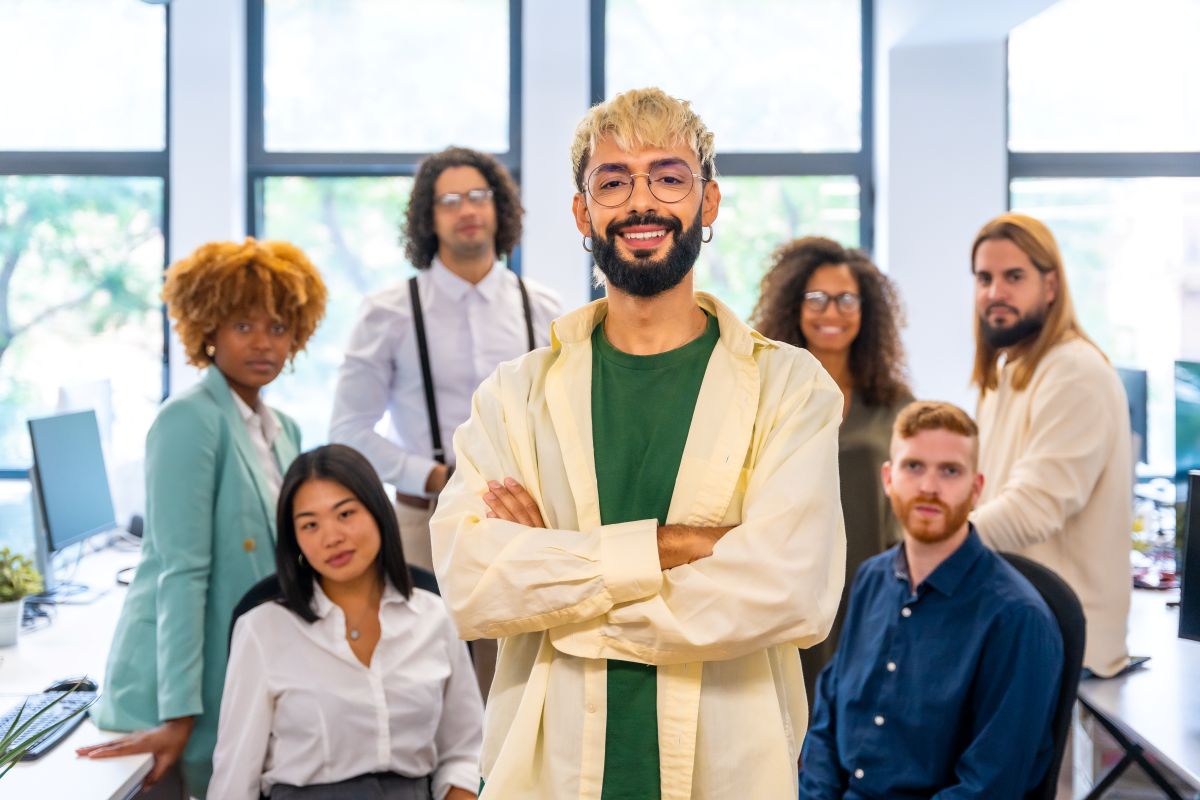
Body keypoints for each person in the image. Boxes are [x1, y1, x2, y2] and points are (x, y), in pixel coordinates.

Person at [430, 86, 846, 799]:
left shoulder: (791, 389)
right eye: (613, 181)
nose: (641, 202)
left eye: (669, 177)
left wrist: (558, 595)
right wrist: (673, 546)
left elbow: (791, 590)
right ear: (582, 211)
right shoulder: (514, 396)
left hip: (728, 769)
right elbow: (474, 585)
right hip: (545, 772)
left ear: (707, 204)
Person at [79, 239, 328, 798]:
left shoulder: (282, 427)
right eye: (243, 326)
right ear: (208, 329)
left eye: (279, 327)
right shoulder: (189, 420)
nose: (264, 343)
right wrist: (177, 713)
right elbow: (180, 572)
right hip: (174, 687)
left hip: (238, 662)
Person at [799, 401, 1064, 799]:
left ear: (976, 489)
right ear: (888, 478)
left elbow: (992, 786)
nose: (928, 487)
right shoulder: (872, 578)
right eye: (914, 466)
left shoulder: (1017, 619)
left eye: (950, 471)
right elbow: (828, 718)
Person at [329, 146, 562, 576]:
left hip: (527, 522)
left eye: (479, 195)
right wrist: (433, 476)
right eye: (449, 201)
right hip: (423, 523)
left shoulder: (545, 309)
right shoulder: (389, 312)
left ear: (499, 206)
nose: (467, 210)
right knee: (428, 643)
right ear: (428, 217)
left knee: (519, 645)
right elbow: (348, 431)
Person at [209, 444, 483, 800]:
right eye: (310, 524)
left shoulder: (434, 616)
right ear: (295, 540)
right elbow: (234, 779)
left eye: (345, 514)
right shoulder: (263, 629)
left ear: (377, 511)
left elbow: (465, 750)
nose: (332, 537)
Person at [968, 212, 1131, 677]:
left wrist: (937, 551)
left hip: (1063, 643)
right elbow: (986, 493)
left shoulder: (1074, 372)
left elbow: (1032, 509)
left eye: (1013, 277)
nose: (995, 292)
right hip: (1018, 624)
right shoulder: (1004, 370)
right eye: (984, 278)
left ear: (1051, 285)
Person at [752, 236, 912, 701]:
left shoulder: (894, 405)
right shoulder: (768, 396)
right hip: (786, 583)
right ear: (794, 306)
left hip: (869, 592)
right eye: (816, 298)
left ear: (867, 311)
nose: (831, 312)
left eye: (846, 299)